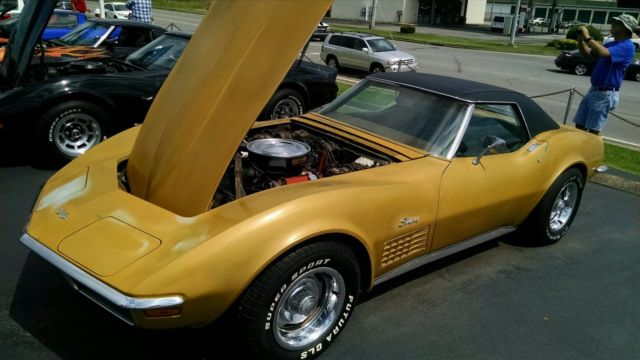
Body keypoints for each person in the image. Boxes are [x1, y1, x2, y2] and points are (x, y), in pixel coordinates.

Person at [572, 15, 636, 135]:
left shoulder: (627, 46)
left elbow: (603, 52)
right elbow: (587, 54)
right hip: (594, 90)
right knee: (579, 124)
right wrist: (580, 40)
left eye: (617, 23)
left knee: (593, 131)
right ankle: (580, 152)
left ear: (626, 28)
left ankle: (591, 153)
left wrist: (587, 37)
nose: (613, 24)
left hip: (605, 93)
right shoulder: (611, 44)